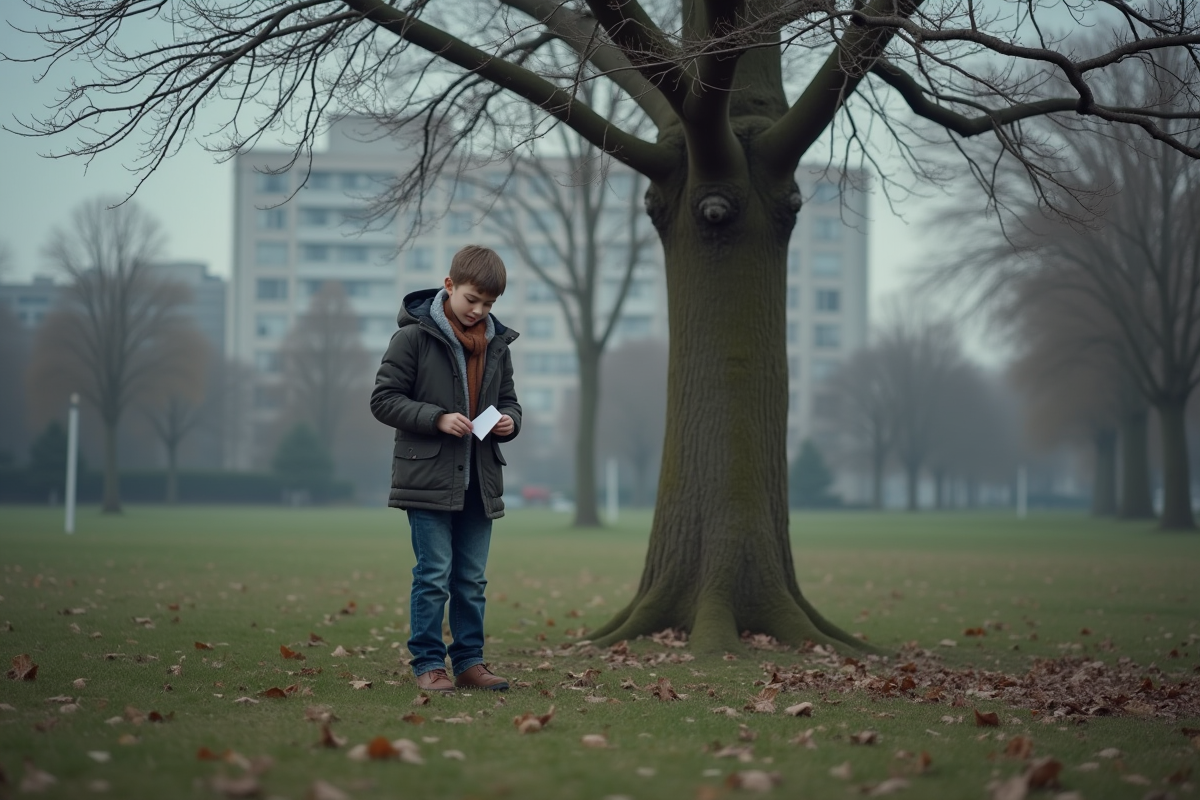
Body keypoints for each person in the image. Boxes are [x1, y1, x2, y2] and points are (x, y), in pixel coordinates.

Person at [370, 244, 521, 693]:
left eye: (488, 304)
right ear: (449, 285)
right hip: (429, 478)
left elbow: (508, 399)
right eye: (472, 299)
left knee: (471, 579)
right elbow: (383, 400)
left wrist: (510, 421)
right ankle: (429, 663)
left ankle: (470, 662)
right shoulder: (412, 337)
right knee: (433, 576)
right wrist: (435, 418)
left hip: (480, 479)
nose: (479, 311)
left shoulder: (498, 344)